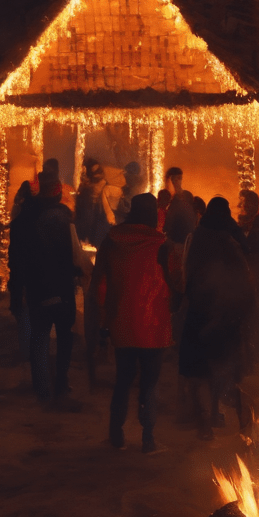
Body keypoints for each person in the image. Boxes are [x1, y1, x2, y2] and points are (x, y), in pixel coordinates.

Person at [93, 193, 172, 452]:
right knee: (149, 384)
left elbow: (99, 282)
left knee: (123, 380)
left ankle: (116, 435)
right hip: (154, 326)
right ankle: (148, 439)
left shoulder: (112, 241)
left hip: (122, 323)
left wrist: (103, 318)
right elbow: (175, 282)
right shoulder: (162, 245)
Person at [179, 197, 254, 439]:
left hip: (201, 311)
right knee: (228, 369)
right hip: (224, 313)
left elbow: (187, 270)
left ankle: (205, 424)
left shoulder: (197, 236)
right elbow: (244, 273)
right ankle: (236, 423)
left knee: (199, 370)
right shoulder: (228, 239)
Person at [9, 170, 79, 409]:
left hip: (37, 288)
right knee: (64, 338)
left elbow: (15, 261)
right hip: (62, 287)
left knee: (39, 338)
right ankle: (60, 386)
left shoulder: (21, 221)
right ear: (58, 192)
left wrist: (16, 293)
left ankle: (43, 391)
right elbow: (75, 255)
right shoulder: (63, 219)